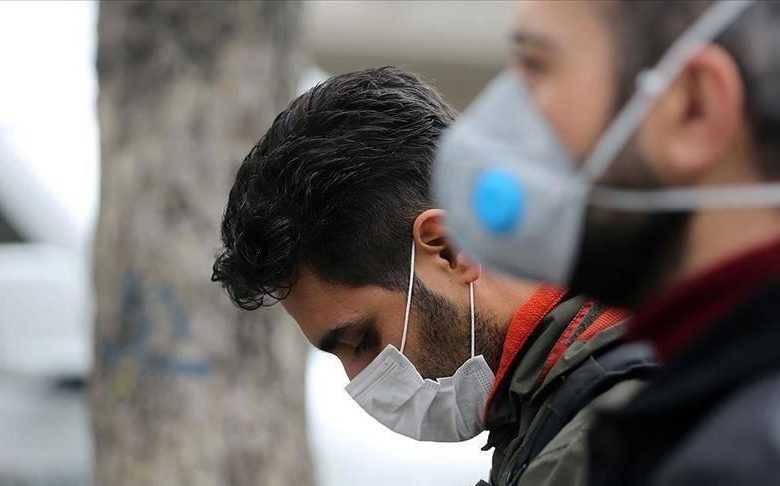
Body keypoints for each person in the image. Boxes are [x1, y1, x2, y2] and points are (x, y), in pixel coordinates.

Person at [211, 67, 654, 486]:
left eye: (361, 339)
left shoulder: (609, 437)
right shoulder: (550, 410)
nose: (360, 380)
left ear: (447, 248)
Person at [434, 1, 780, 484]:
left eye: (536, 65)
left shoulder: (738, 461)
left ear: (693, 107)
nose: (504, 115)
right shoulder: (709, 412)